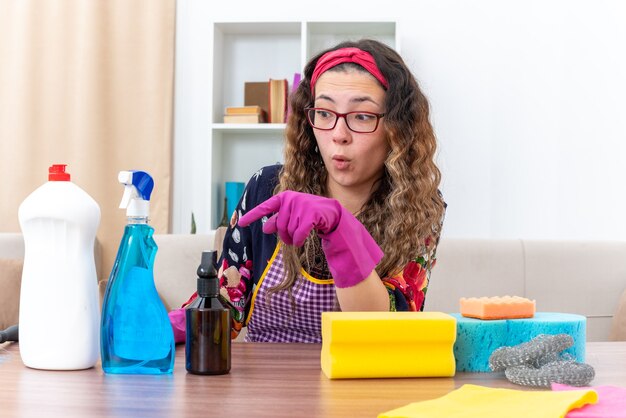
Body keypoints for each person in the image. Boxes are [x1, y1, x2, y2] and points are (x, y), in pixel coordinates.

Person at [169, 38, 446, 343]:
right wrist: (167, 327)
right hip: (266, 384)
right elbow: (226, 302)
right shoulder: (267, 188)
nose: (339, 135)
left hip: (360, 384)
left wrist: (341, 234)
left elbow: (390, 335)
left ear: (397, 128)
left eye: (362, 116)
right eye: (325, 113)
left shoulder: (418, 206)